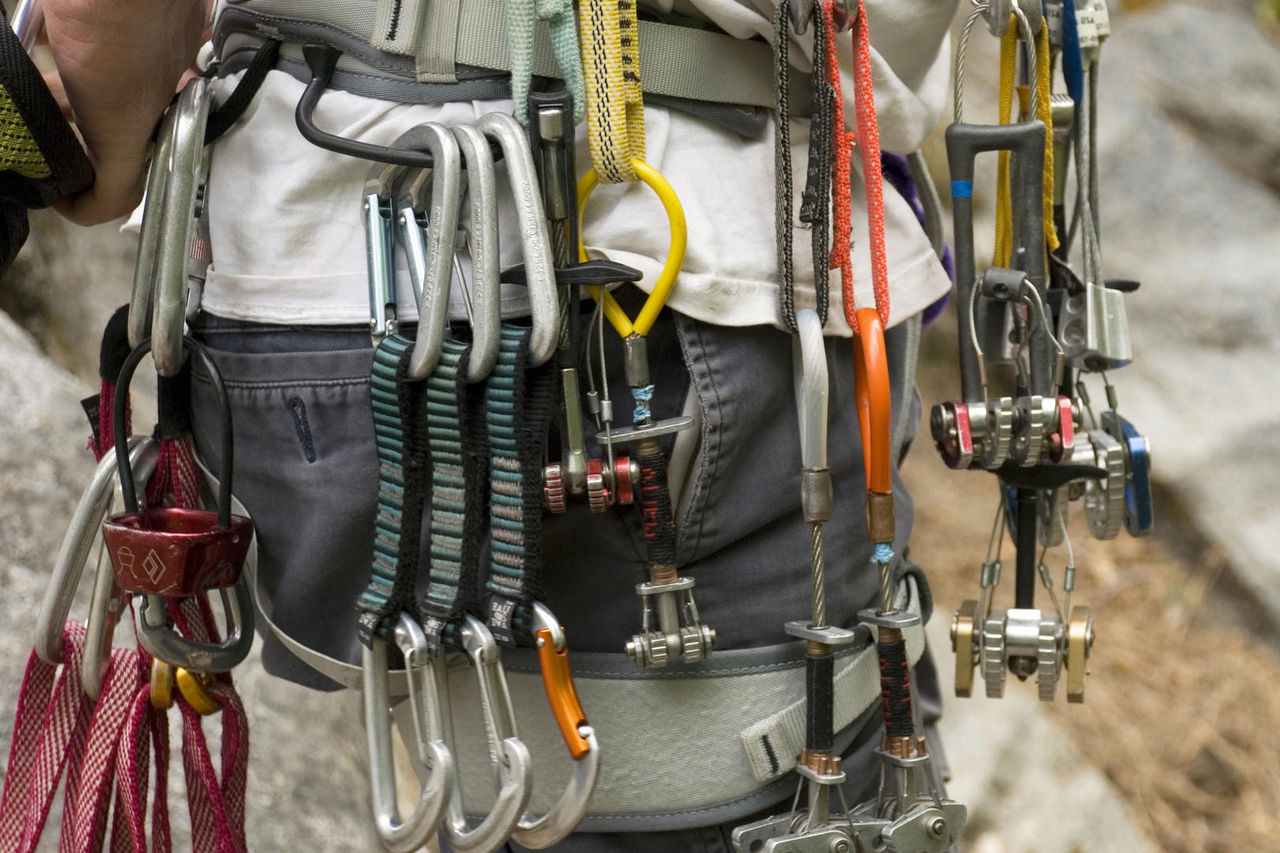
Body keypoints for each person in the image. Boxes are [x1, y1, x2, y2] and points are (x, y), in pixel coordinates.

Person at [40, 0, 960, 849]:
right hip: (676, 264)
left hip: (289, 300)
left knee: (504, 761)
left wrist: (110, 118)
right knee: (738, 759)